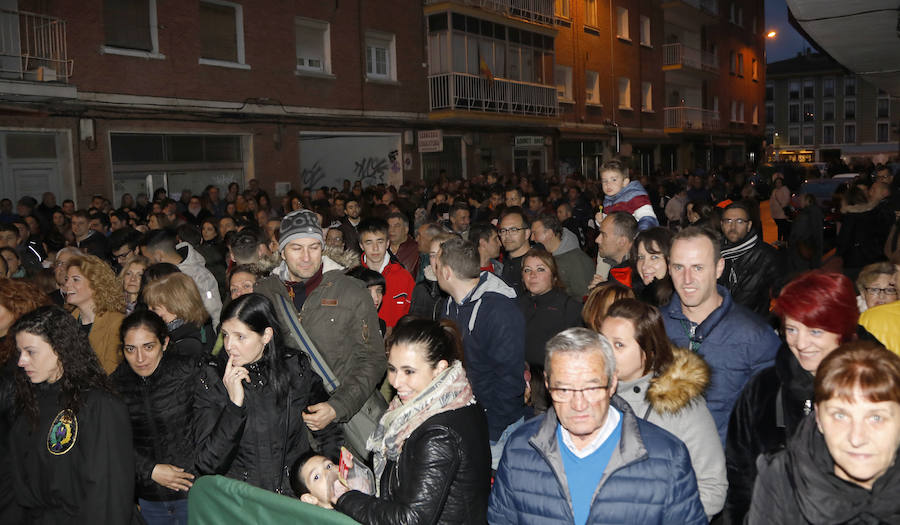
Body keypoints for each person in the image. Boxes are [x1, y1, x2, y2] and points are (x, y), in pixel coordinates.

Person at [488, 327, 707, 524]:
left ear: (612, 383)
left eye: (592, 388)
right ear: (547, 385)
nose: (579, 404)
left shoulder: (668, 457)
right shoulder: (519, 450)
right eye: (564, 389)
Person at [725, 271, 859, 523]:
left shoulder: (874, 391)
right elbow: (738, 471)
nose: (801, 343)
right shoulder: (764, 388)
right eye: (792, 329)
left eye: (816, 332)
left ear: (841, 330)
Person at [255, 209, 387, 457]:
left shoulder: (351, 291)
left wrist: (337, 407)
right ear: (281, 251)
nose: (306, 257)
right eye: (296, 248)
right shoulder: (264, 294)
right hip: (286, 426)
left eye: (314, 247)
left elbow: (373, 359)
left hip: (342, 421)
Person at [333, 318, 491, 523]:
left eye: (409, 371)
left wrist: (345, 499)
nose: (396, 382)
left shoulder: (438, 434)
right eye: (392, 369)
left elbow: (411, 519)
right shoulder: (461, 398)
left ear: (440, 369)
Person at [193, 294, 342, 493]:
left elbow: (327, 429)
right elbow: (208, 463)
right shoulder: (212, 378)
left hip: (293, 498)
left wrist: (326, 476)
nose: (229, 346)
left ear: (266, 336)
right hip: (243, 501)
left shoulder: (294, 369)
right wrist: (234, 406)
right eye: (226, 334)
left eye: (240, 337)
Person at [8, 305, 141, 523]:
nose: (21, 362)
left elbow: (108, 495)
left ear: (60, 348)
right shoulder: (31, 401)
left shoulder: (100, 405)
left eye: (30, 352)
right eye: (20, 353)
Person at [747, 341, 900, 523]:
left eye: (876, 418)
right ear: (818, 418)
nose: (857, 438)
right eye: (840, 415)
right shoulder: (782, 477)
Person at [600, 299, 727, 518]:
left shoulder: (681, 405)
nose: (605, 353)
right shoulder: (588, 395)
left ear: (648, 352)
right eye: (603, 342)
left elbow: (711, 486)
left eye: (619, 345)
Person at [662, 226, 781, 444]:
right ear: (669, 268)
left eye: (698, 267)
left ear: (719, 268)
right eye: (679, 267)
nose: (687, 279)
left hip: (726, 470)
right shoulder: (653, 327)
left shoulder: (755, 336)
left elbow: (770, 419)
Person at [436, 236, 526, 469]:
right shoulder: (448, 305)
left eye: (436, 265)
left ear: (446, 272)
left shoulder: (498, 310)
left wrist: (492, 429)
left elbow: (509, 377)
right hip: (465, 419)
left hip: (496, 428)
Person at [112, 310, 200, 525]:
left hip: (194, 494)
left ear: (165, 343)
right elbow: (110, 441)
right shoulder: (115, 385)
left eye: (148, 347)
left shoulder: (190, 372)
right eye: (130, 349)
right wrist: (148, 469)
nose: (140, 359)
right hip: (149, 498)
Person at [517, 247, 583, 412]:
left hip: (552, 390)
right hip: (518, 386)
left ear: (553, 276)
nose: (533, 275)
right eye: (527, 270)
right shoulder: (515, 306)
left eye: (540, 269)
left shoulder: (569, 307)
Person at [140, 229, 222, 327]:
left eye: (147, 258)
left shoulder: (201, 277)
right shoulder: (154, 274)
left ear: (158, 255)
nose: (146, 263)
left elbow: (214, 311)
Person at [718, 201, 784, 316]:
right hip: (720, 323)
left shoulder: (766, 255)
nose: (733, 227)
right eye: (728, 221)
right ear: (722, 224)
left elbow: (783, 296)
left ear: (748, 225)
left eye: (739, 222)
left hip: (751, 325)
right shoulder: (714, 252)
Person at [65, 254, 126, 374]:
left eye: (75, 279)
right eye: (67, 279)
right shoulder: (66, 321)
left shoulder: (117, 323)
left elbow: (111, 370)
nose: (67, 285)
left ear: (96, 284)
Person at [357, 218, 414, 331]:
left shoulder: (404, 277)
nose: (375, 248)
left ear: (388, 243)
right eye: (369, 242)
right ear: (361, 245)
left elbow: (412, 317)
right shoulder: (353, 278)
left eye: (380, 241)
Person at [141, 272, 214, 358]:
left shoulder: (188, 345)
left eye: (154, 308)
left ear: (175, 308)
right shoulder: (197, 330)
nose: (149, 313)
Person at [531, 214, 594, 300]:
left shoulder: (576, 260)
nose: (532, 238)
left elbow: (585, 298)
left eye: (535, 233)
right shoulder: (544, 257)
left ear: (549, 233)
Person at [598, 159, 659, 231]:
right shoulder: (609, 201)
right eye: (604, 181)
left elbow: (649, 219)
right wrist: (601, 220)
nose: (608, 184)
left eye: (614, 180)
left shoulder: (635, 197)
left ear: (625, 182)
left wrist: (639, 239)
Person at [591, 212, 638, 288]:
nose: (597, 240)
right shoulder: (609, 264)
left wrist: (607, 292)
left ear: (622, 241)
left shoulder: (637, 276)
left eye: (603, 235)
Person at [631, 227, 675, 306]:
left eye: (654, 257)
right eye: (641, 257)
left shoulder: (680, 303)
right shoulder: (634, 296)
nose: (644, 266)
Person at [787, 193, 824, 273]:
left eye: (801, 200)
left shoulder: (804, 215)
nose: (799, 202)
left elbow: (798, 234)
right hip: (814, 248)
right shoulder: (816, 211)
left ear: (807, 201)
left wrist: (790, 242)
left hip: (802, 251)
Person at [497, 207, 531, 292]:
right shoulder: (503, 264)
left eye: (513, 230)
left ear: (527, 233)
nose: (507, 235)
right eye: (503, 230)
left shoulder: (536, 265)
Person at [769, 176, 791, 242]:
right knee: (779, 228)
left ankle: (783, 242)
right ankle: (779, 241)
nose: (778, 184)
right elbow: (772, 201)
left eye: (779, 182)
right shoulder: (774, 190)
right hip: (776, 214)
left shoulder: (785, 189)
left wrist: (782, 207)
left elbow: (786, 200)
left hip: (782, 213)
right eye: (776, 182)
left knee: (783, 229)